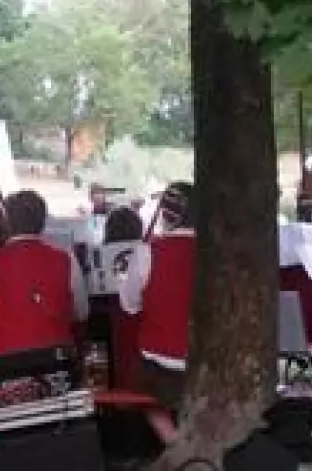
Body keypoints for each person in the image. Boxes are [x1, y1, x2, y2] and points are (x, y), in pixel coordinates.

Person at [0, 190, 87, 356]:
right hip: (57, 369)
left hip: (2, 373)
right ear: (42, 223)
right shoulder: (68, 260)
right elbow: (81, 313)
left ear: (7, 223)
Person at [119, 182, 196, 446]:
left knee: (137, 380)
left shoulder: (149, 251)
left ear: (166, 214)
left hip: (160, 366)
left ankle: (173, 442)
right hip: (209, 361)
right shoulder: (218, 254)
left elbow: (129, 305)